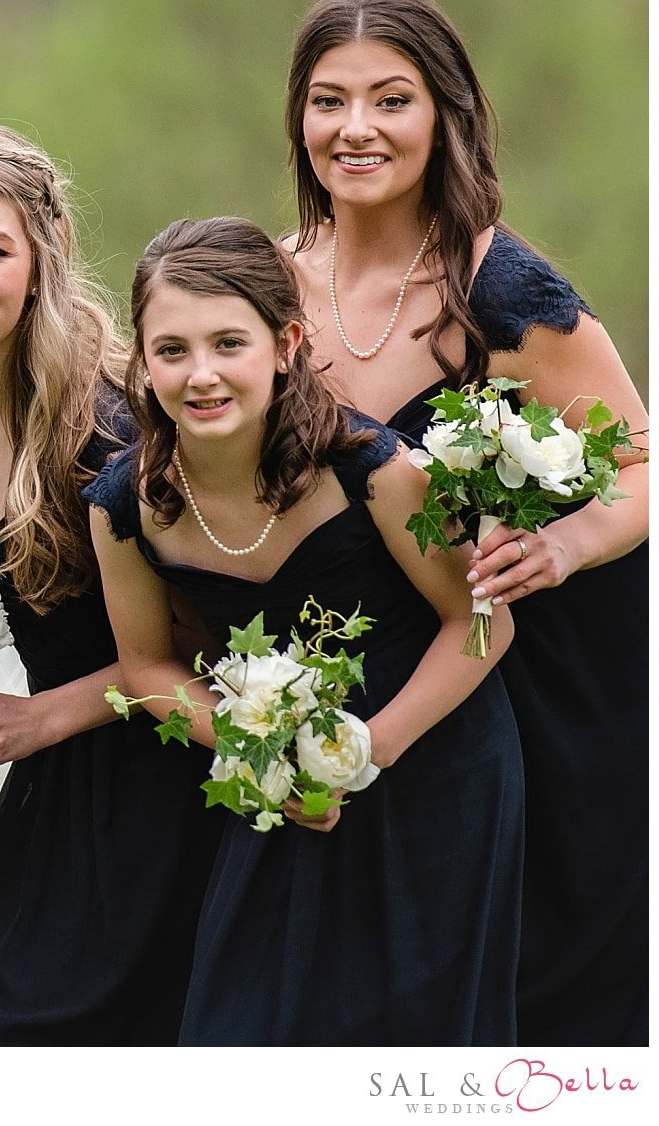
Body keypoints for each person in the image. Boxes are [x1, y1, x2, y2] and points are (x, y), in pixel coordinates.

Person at [281, 0, 648, 1043]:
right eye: (328, 100)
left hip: (528, 690)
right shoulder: (266, 282)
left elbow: (640, 463)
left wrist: (564, 544)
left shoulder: (505, 292)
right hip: (354, 675)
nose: (355, 128)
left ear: (446, 115)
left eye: (390, 100)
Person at [87, 216, 522, 1043]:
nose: (201, 374)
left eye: (229, 343)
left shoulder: (373, 468)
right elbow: (146, 668)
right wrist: (261, 759)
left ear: (285, 344)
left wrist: (365, 751)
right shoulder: (126, 506)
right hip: (274, 786)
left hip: (434, 768)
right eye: (172, 350)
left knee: (416, 1044)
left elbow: (480, 622)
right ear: (141, 362)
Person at [0, 123, 216, 1044]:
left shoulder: (109, 432)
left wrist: (36, 719)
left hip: (169, 784)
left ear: (41, 262)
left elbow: (205, 648)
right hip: (54, 796)